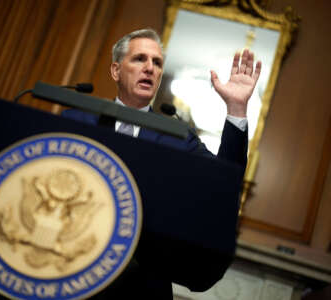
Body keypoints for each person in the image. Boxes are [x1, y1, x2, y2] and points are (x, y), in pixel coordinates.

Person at [61, 28, 261, 299]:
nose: (149, 68)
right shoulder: (78, 121)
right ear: (116, 70)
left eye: (157, 63)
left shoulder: (178, 136)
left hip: (141, 285)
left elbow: (224, 180)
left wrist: (237, 109)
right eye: (139, 59)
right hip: (69, 270)